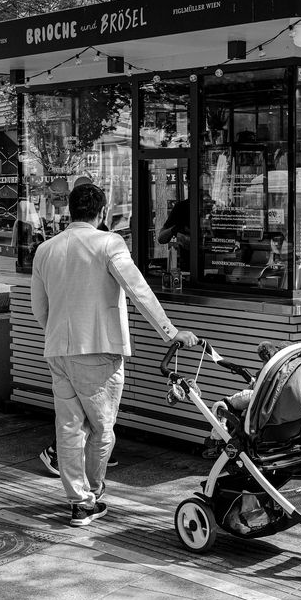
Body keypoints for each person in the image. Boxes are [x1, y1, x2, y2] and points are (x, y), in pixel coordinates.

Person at [31, 184, 198, 527]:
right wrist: (170, 331)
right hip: (99, 351)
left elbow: (39, 309)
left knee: (69, 428)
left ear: (69, 211)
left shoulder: (45, 249)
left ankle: (78, 501)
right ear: (102, 212)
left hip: (58, 350)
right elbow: (138, 290)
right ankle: (91, 494)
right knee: (102, 429)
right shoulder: (109, 243)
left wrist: (60, 334)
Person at [157, 198, 190, 271]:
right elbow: (161, 239)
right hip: (187, 264)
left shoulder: (210, 206)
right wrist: (176, 229)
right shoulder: (182, 207)